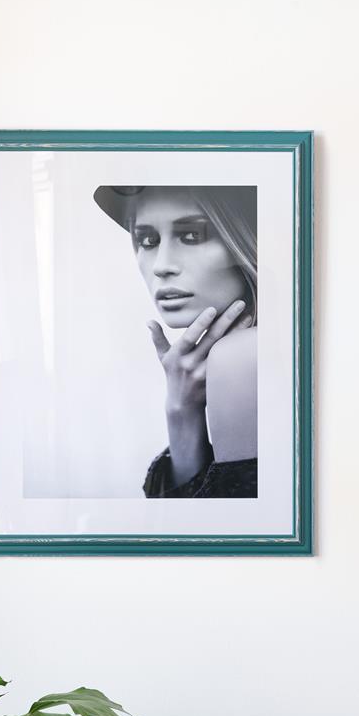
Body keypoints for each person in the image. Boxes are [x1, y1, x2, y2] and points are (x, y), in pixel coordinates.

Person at [93, 185, 258, 498]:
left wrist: (181, 410)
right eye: (147, 240)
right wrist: (182, 406)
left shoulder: (239, 356)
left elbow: (197, 528)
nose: (161, 266)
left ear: (245, 238)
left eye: (192, 235)